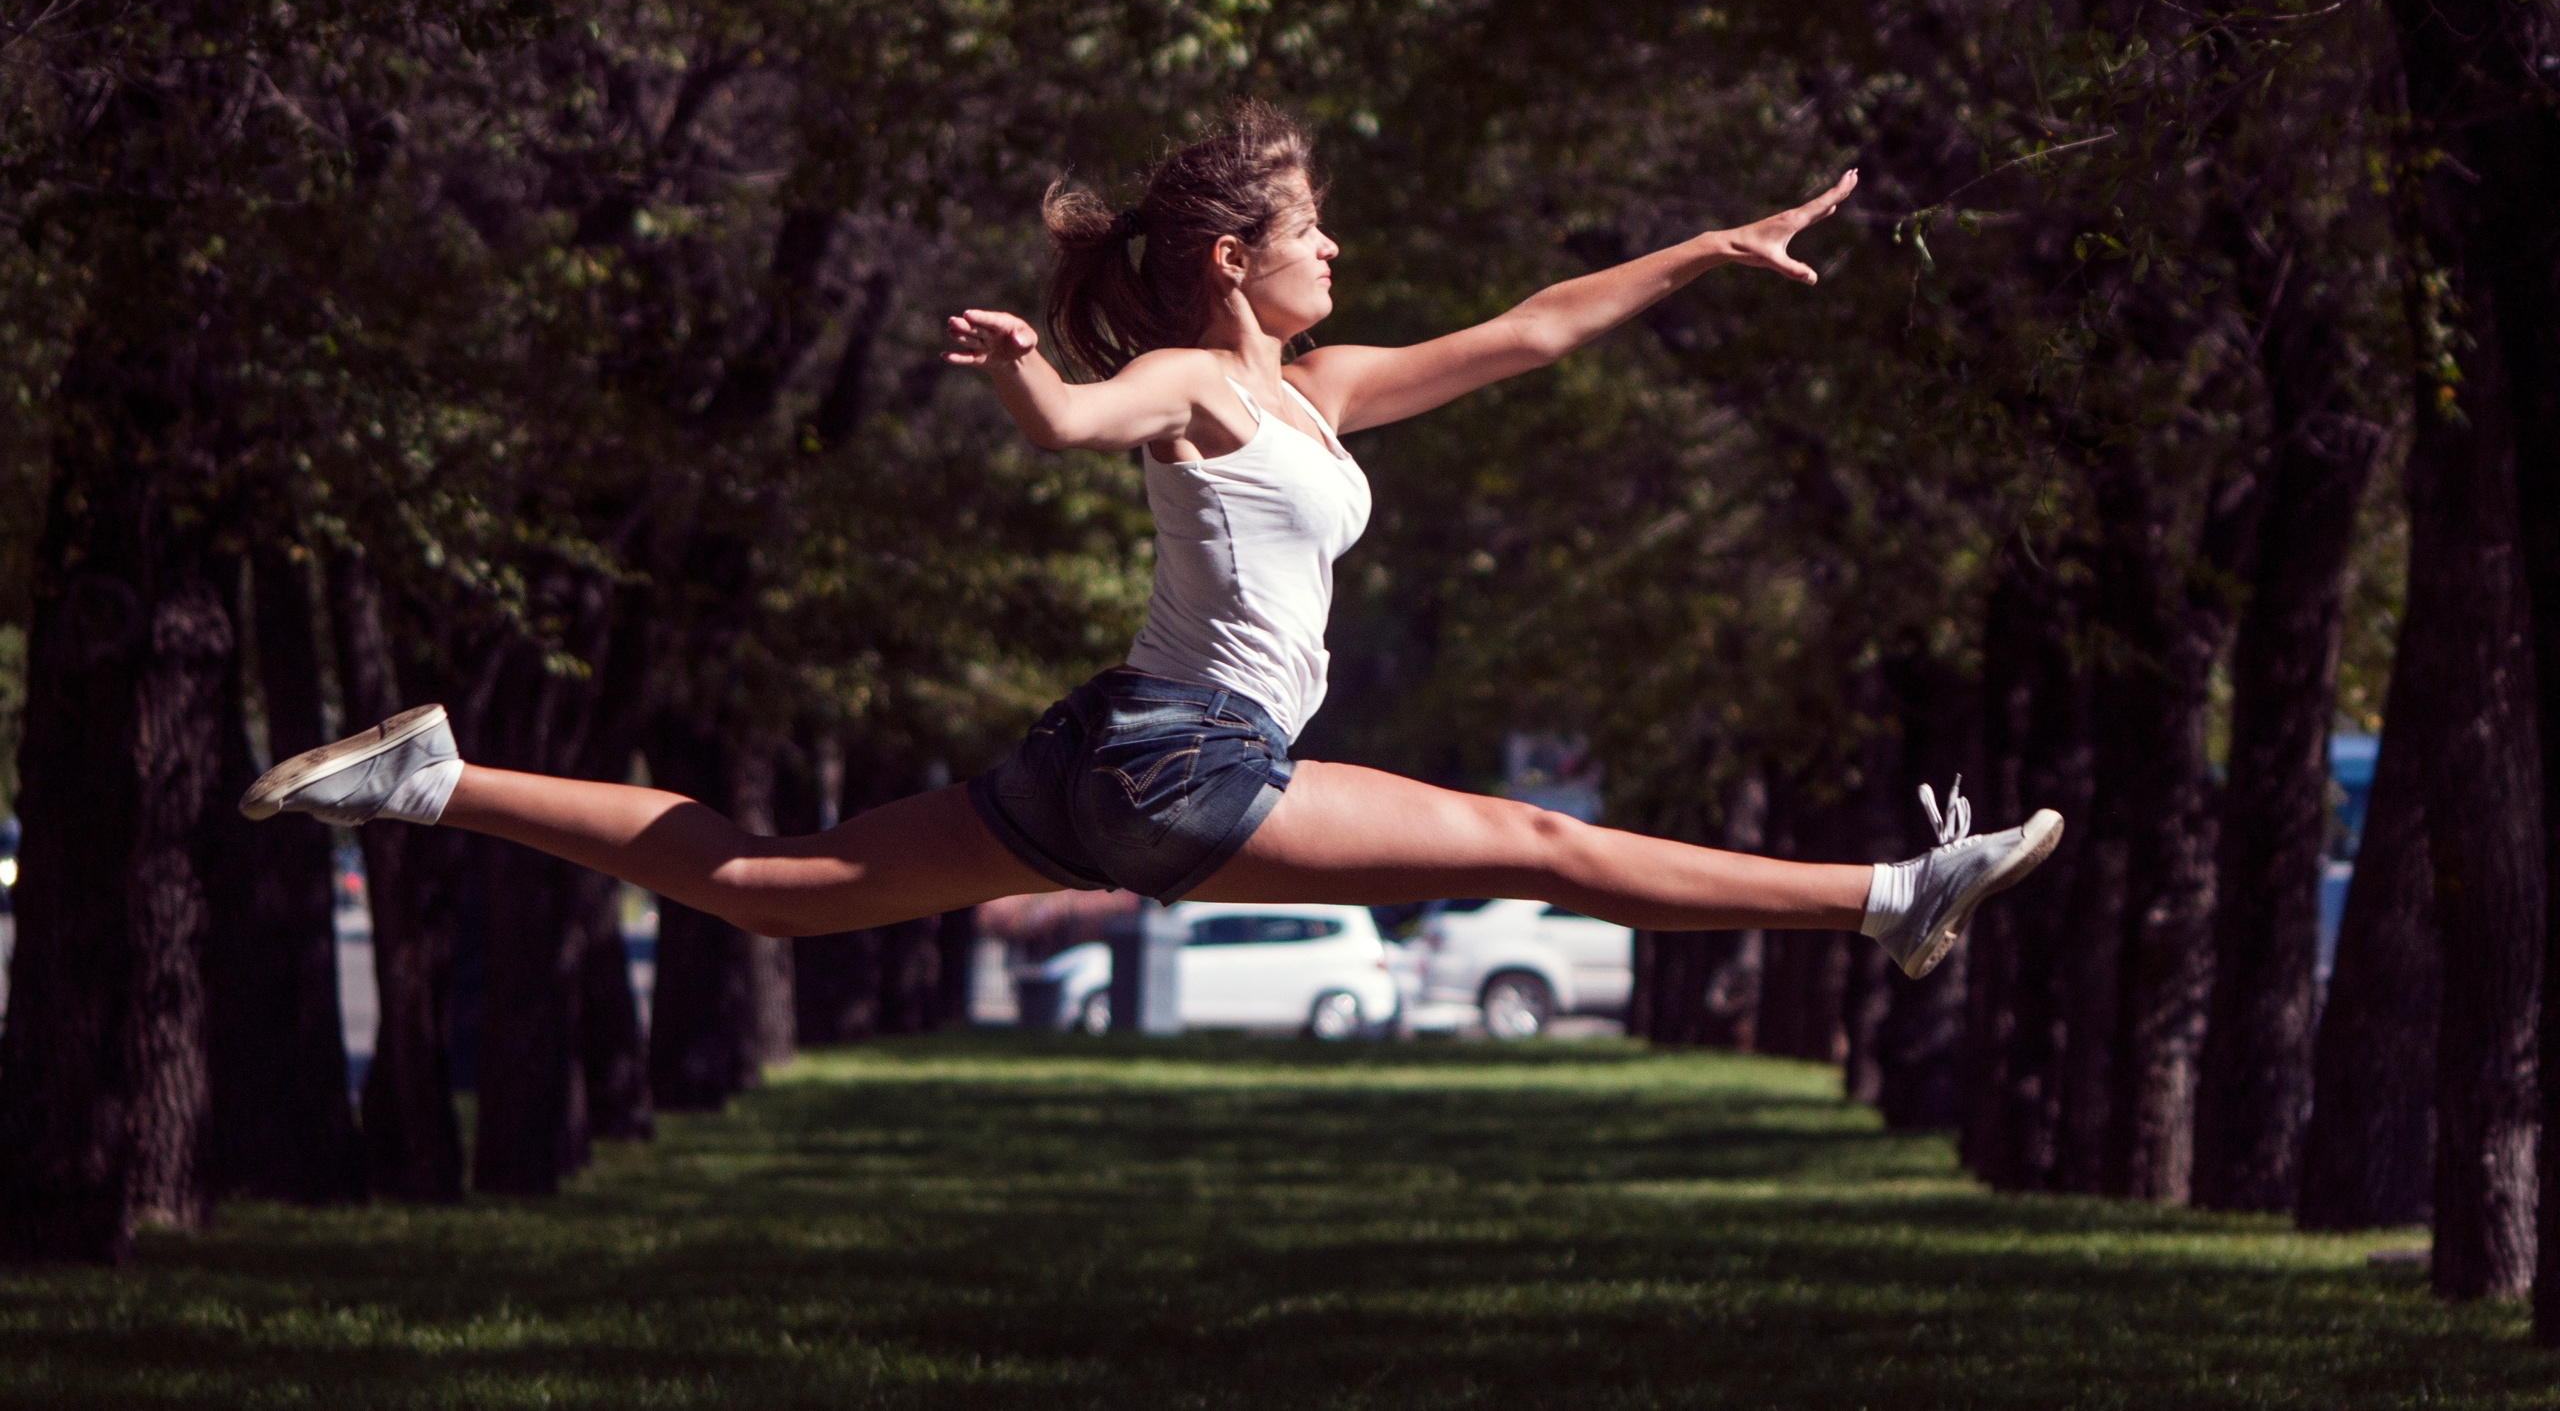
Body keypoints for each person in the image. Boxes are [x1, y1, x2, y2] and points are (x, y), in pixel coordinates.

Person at [240, 102, 2058, 981]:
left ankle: (431, 780)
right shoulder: (1191, 380)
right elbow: (1078, 426)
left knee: (768, 883)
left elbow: (1533, 328)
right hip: (1188, 760)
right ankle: (1895, 900)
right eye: (1312, 228)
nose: (1332, 249)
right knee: (1534, 844)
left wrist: (1710, 251)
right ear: (1228, 258)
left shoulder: (1325, 387)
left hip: (1117, 749)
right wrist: (1030, 379)